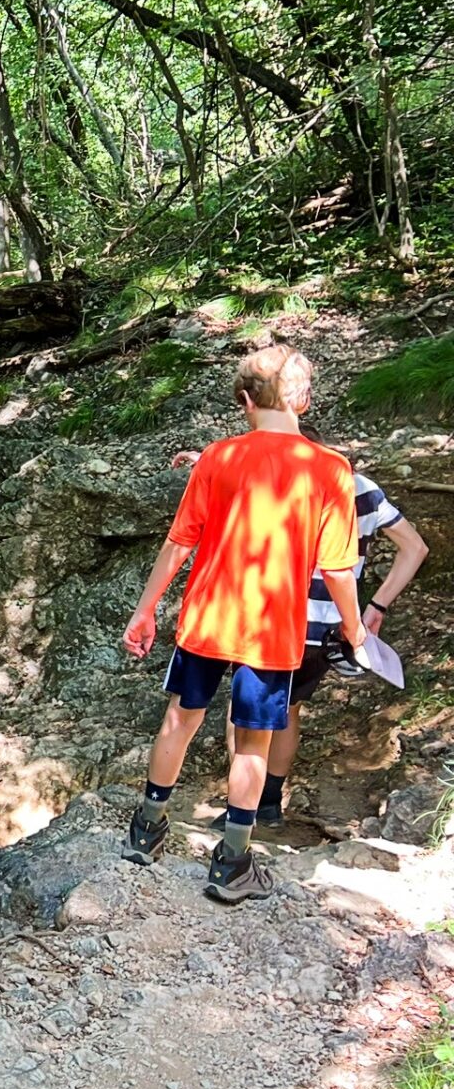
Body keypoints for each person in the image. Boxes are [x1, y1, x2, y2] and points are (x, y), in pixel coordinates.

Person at [120, 345, 367, 903]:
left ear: (243, 402)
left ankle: (145, 832)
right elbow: (338, 569)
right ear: (303, 399)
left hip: (208, 616)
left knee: (180, 719)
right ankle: (231, 862)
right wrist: (354, 629)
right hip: (272, 628)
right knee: (253, 741)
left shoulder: (218, 457)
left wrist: (145, 609)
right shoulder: (331, 469)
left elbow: (180, 541)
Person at [172, 430, 430, 826]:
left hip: (280, 618)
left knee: (244, 716)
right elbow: (415, 548)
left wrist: (208, 462)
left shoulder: (299, 482)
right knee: (289, 709)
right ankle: (271, 803)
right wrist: (376, 606)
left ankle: (244, 809)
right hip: (332, 626)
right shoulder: (364, 489)